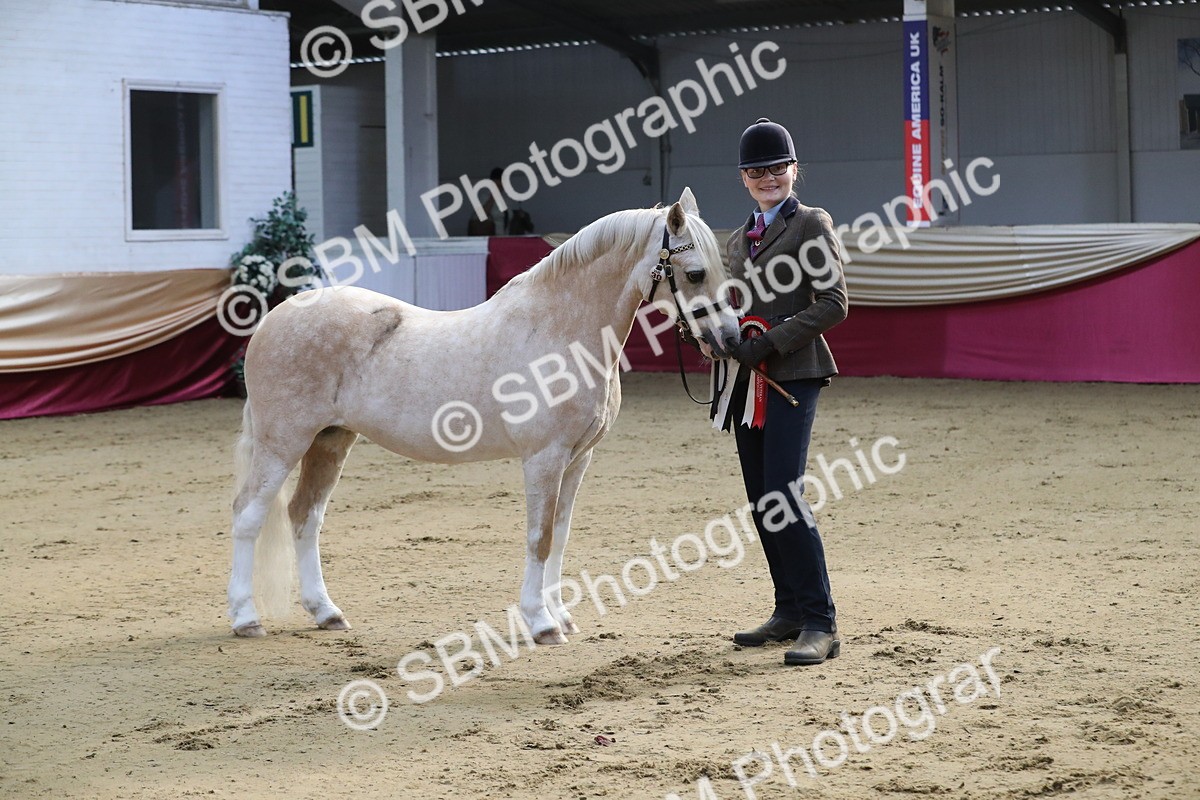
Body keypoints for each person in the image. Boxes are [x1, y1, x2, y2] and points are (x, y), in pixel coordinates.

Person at [723, 117, 848, 666]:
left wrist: (769, 340)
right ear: (745, 179)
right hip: (746, 382)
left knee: (784, 496)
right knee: (760, 500)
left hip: (794, 374)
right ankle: (788, 609)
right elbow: (727, 306)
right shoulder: (733, 242)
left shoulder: (811, 224)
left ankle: (821, 622)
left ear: (794, 171)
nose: (768, 178)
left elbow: (834, 302)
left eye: (778, 168)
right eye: (758, 171)